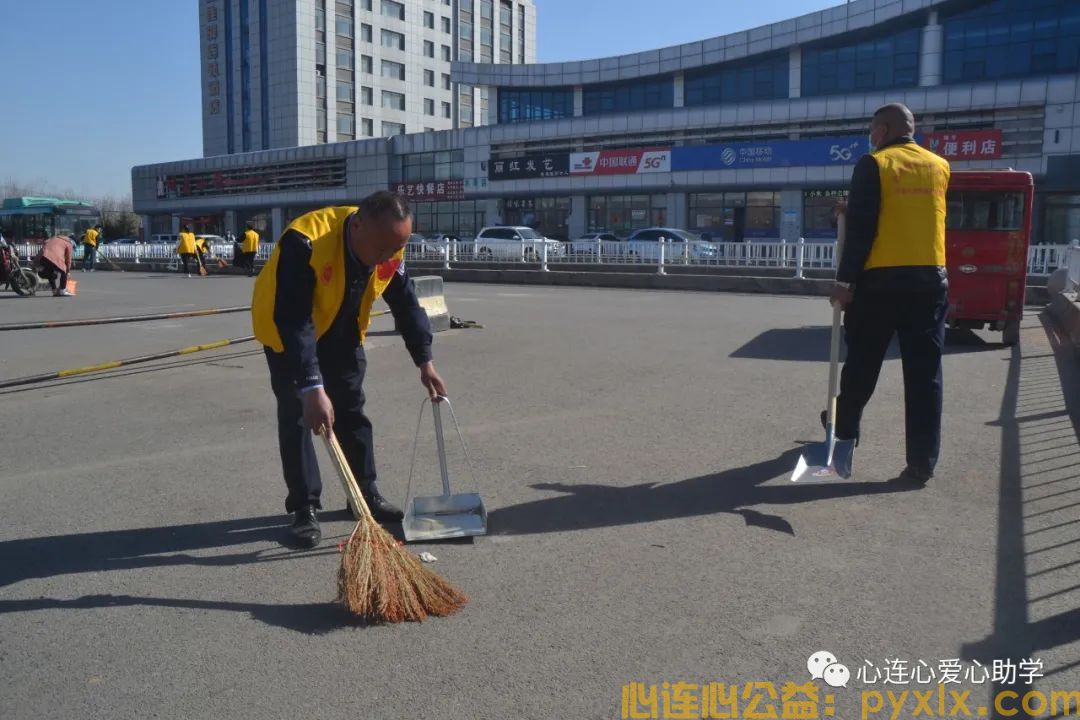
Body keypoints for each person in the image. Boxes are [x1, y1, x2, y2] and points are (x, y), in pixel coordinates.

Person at [251, 191, 447, 548]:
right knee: (299, 416)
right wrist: (311, 386)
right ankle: (304, 508)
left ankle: (364, 493)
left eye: (396, 249)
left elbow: (405, 302)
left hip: (342, 331)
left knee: (351, 409)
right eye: (382, 250)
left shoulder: (389, 245)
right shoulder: (306, 242)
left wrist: (425, 361)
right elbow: (296, 321)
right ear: (357, 226)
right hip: (286, 334)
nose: (387, 258)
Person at [828, 103, 951, 486]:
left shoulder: (874, 163)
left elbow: (862, 230)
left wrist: (845, 283)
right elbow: (911, 210)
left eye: (872, 129)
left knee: (862, 366)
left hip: (880, 283)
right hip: (931, 279)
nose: (871, 136)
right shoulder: (939, 166)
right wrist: (859, 204)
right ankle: (921, 463)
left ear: (882, 129)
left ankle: (844, 438)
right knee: (924, 375)